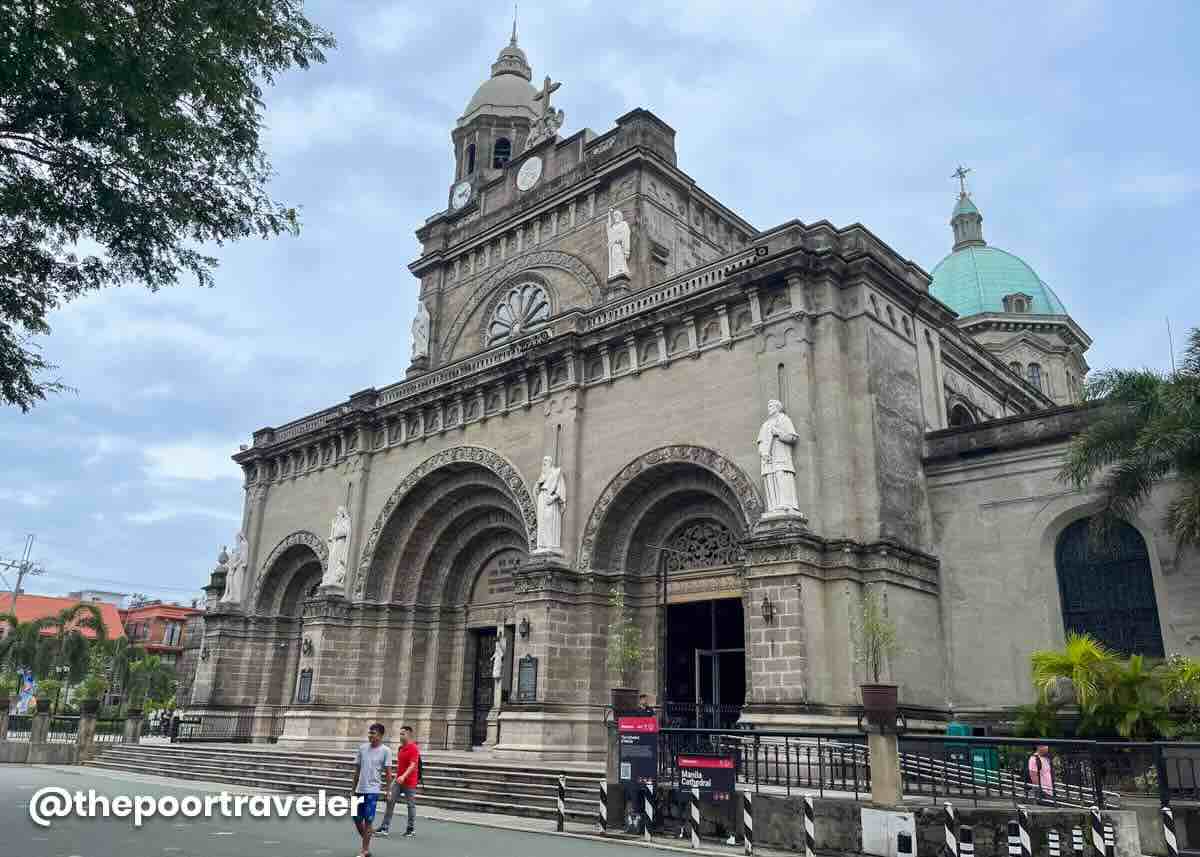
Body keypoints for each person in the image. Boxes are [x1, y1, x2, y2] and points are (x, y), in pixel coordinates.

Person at [350, 723, 392, 857]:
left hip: (373, 790)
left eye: (373, 733)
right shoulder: (362, 748)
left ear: (380, 735)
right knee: (356, 818)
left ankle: (365, 850)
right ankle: (367, 839)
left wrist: (388, 791)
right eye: (369, 733)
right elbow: (357, 770)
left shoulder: (386, 751)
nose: (370, 735)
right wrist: (353, 789)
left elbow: (388, 773)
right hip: (359, 789)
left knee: (368, 820)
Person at [378, 725, 420, 838]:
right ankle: (384, 827)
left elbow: (412, 765)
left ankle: (410, 829)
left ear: (409, 735)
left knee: (410, 805)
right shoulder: (400, 748)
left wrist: (404, 776)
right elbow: (400, 766)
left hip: (409, 782)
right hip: (398, 780)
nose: (400, 736)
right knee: (390, 801)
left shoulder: (414, 748)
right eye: (400, 734)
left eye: (403, 734)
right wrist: (395, 779)